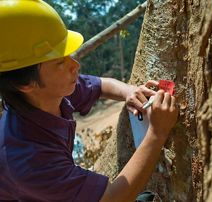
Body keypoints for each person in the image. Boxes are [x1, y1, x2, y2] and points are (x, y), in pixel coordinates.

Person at [0, 1, 178, 202]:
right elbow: (112, 199)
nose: (75, 65)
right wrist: (157, 133)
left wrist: (129, 91)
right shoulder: (28, 161)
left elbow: (101, 85)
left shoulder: (46, 94)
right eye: (60, 62)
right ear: (25, 84)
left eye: (68, 55)